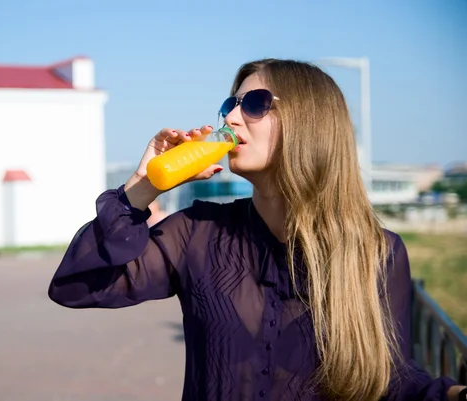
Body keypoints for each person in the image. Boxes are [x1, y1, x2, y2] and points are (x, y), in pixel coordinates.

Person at [48, 59, 467, 401]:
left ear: (310, 122)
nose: (230, 116)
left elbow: (389, 378)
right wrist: (142, 189)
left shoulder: (377, 253)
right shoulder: (197, 232)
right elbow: (76, 288)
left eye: (254, 103)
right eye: (231, 103)